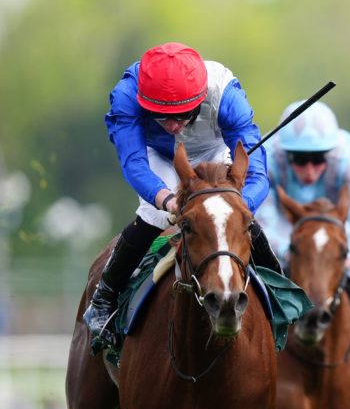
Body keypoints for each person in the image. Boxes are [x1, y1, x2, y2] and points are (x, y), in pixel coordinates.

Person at [83, 42, 282, 350]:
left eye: (183, 114)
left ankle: (278, 295)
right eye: (161, 116)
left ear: (200, 98)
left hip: (216, 151)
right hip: (158, 155)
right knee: (156, 215)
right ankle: (103, 298)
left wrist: (236, 205)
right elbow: (134, 164)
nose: (174, 126)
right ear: (144, 101)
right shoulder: (127, 95)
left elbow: (257, 173)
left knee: (234, 217)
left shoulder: (226, 95)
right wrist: (168, 200)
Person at [256, 100, 350, 297]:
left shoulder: (349, 160)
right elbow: (263, 221)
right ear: (284, 152)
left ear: (330, 153)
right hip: (286, 234)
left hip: (335, 237)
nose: (309, 170)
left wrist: (347, 257)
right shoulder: (266, 159)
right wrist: (291, 253)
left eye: (318, 159)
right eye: (299, 159)